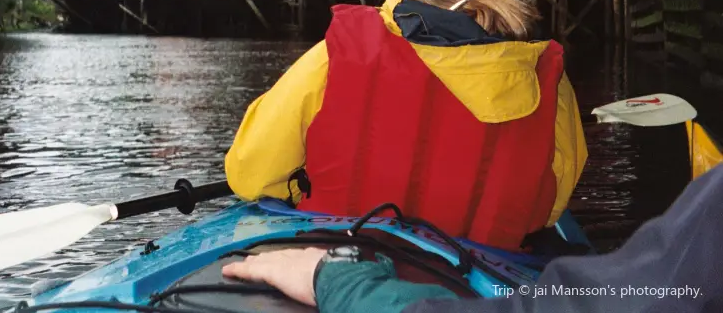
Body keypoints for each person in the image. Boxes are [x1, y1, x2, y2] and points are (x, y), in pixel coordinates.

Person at [224, 0, 587, 251]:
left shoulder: (334, 59)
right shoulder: (548, 81)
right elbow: (550, 209)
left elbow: (249, 173)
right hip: (480, 283)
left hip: (342, 277)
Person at [220, 164, 723, 313]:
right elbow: (550, 202)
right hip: (494, 255)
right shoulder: (542, 72)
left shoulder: (325, 59)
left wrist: (344, 285)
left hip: (359, 247)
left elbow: (246, 170)